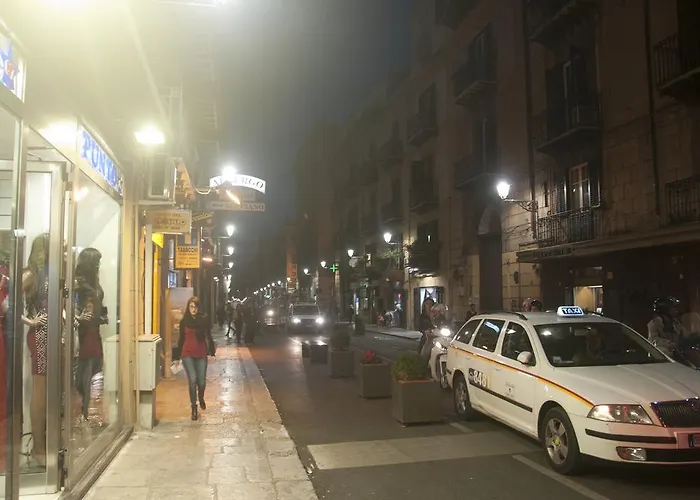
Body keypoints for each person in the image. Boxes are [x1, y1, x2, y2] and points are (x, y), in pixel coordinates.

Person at [177, 297, 215, 421]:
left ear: (199, 308)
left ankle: (201, 396)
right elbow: (181, 339)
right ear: (188, 308)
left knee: (202, 382)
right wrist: (176, 356)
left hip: (201, 353)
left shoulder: (204, 319)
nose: (193, 309)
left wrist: (212, 350)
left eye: (195, 307)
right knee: (193, 379)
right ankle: (194, 407)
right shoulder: (184, 322)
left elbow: (208, 335)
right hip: (187, 353)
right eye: (191, 307)